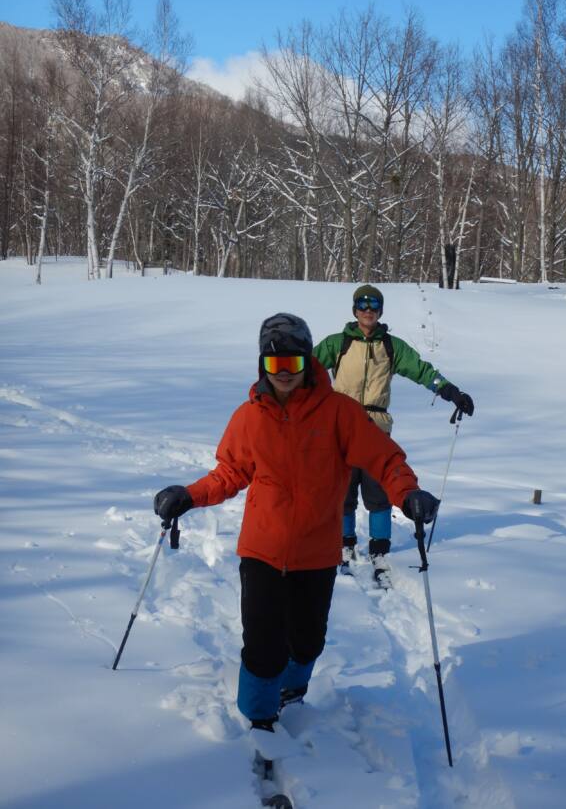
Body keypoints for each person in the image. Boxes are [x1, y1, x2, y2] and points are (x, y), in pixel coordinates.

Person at [153, 312, 440, 733]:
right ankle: (259, 718)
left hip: (316, 551)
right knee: (263, 646)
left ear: (308, 362)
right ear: (261, 366)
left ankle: (291, 691)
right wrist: (189, 495)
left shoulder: (339, 412)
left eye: (292, 363)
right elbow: (229, 473)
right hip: (263, 548)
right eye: (274, 365)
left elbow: (386, 459)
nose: (283, 373)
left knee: (307, 643)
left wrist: (408, 492)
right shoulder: (249, 416)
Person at [313, 285, 474, 585]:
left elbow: (422, 371)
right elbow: (306, 369)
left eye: (373, 305)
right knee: (342, 493)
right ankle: (345, 546)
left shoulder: (391, 346)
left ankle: (379, 551)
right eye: (362, 304)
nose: (368, 310)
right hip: (341, 428)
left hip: (377, 429)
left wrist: (450, 391)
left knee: (378, 494)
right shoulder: (338, 343)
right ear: (354, 310)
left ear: (380, 310)